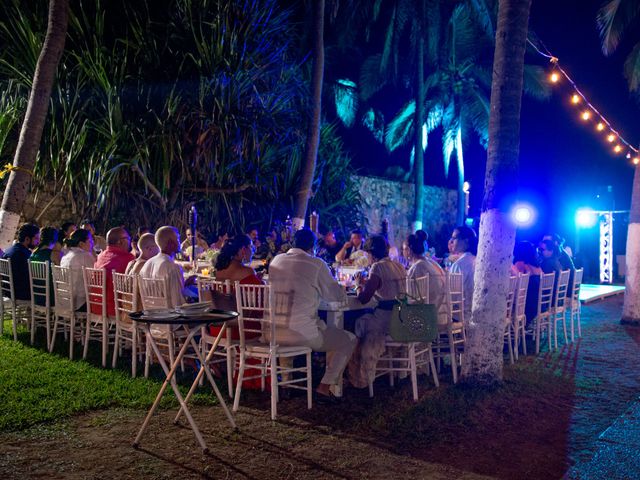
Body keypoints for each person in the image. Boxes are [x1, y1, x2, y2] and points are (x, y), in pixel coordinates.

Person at [269, 229, 356, 403]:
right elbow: (336, 297)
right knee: (349, 339)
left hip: (274, 332)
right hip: (303, 335)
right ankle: (325, 386)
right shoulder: (316, 264)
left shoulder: (276, 261)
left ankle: (286, 384)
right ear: (313, 246)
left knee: (291, 324)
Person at [347, 235, 407, 388]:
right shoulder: (398, 266)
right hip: (401, 318)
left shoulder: (378, 267)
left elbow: (364, 299)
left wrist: (358, 285)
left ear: (370, 253)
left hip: (385, 321)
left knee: (354, 323)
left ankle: (358, 372)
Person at [140, 226, 195, 308]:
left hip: (151, 314)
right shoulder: (172, 267)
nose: (179, 242)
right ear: (171, 243)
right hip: (170, 317)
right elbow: (178, 303)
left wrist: (184, 284)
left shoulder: (148, 263)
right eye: (178, 239)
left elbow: (162, 291)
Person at [404, 232, 447, 325]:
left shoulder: (417, 267)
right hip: (443, 315)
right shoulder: (432, 263)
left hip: (429, 318)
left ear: (409, 250)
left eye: (403, 249)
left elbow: (411, 299)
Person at [93, 227, 135, 317]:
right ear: (120, 242)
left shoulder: (101, 256)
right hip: (114, 308)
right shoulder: (127, 258)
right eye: (128, 238)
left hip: (96, 305)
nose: (129, 242)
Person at [2, 223, 40, 300]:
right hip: (20, 293)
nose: (38, 242)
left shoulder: (8, 251)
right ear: (27, 239)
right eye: (36, 238)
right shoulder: (24, 254)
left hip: (7, 291)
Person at [59, 229, 95, 311]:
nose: (92, 243)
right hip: (81, 302)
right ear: (81, 244)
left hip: (65, 299)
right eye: (90, 241)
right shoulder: (85, 256)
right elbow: (95, 277)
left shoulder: (65, 256)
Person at [448, 225, 477, 323]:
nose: (451, 241)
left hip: (459, 316)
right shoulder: (475, 260)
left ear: (466, 241)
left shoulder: (460, 264)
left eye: (454, 238)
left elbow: (451, 297)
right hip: (473, 312)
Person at [512, 241, 542, 325]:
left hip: (527, 306)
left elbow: (517, 283)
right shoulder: (537, 266)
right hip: (539, 304)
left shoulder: (520, 264)